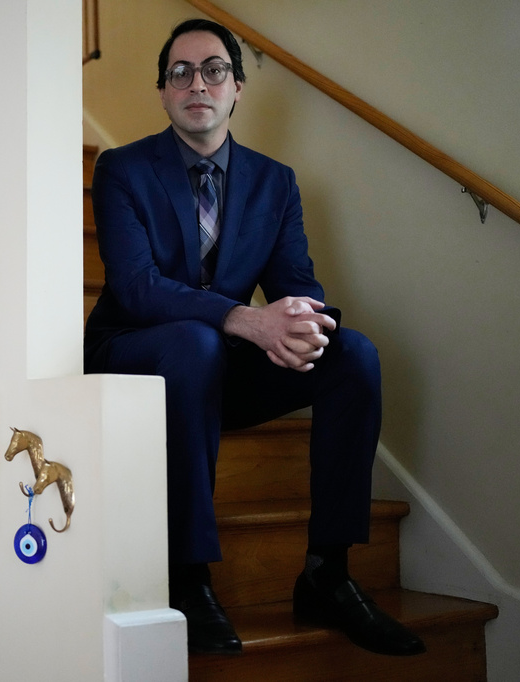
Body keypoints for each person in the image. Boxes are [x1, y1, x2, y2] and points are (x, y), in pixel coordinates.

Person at [83, 19, 425, 657]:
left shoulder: (277, 182)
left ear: (237, 88)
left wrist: (300, 323)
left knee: (353, 355)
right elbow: (135, 287)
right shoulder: (122, 169)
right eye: (179, 72)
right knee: (194, 341)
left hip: (212, 368)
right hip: (132, 356)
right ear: (162, 92)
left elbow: (298, 280)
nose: (197, 83)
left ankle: (327, 571)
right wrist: (246, 319)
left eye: (213, 68)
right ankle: (186, 574)